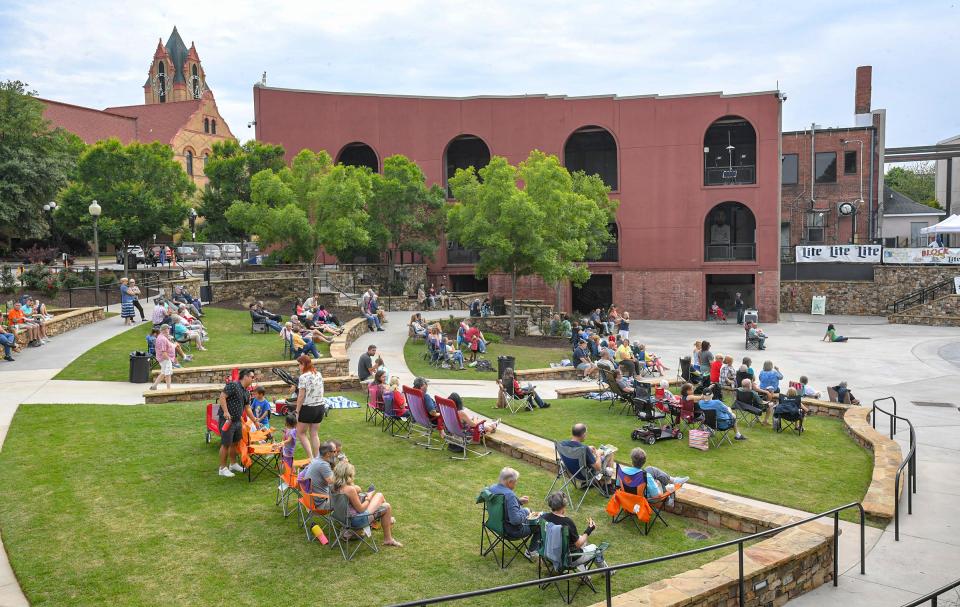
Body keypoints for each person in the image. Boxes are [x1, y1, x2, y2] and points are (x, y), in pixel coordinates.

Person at [332, 461, 402, 547]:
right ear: (348, 475)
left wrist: (356, 488)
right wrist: (368, 497)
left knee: (382, 502)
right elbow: (361, 509)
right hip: (356, 520)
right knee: (384, 503)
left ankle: (387, 523)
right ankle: (388, 537)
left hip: (341, 519)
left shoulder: (333, 487)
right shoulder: (350, 490)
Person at [542, 491, 610, 571]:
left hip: (549, 553)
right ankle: (608, 572)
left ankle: (584, 575)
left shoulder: (544, 517)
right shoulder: (567, 522)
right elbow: (577, 544)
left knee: (582, 540)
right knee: (595, 548)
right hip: (567, 559)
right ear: (564, 505)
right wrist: (589, 529)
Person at [487, 467, 540, 558]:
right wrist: (526, 511)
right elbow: (515, 520)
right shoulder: (510, 495)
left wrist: (518, 501)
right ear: (509, 482)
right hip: (511, 531)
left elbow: (502, 506)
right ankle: (531, 552)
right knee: (540, 523)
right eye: (515, 481)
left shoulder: (492, 488)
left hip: (496, 525)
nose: (516, 483)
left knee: (530, 512)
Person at [217, 368, 256, 477]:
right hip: (227, 420)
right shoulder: (233, 385)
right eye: (252, 377)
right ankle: (222, 468)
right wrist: (225, 411)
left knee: (235, 443)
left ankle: (233, 464)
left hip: (237, 420)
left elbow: (248, 409)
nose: (253, 379)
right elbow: (222, 396)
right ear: (245, 376)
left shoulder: (246, 392)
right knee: (226, 444)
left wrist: (255, 421)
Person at [619, 447, 689, 503]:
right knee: (659, 480)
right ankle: (669, 498)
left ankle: (674, 480)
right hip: (643, 498)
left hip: (627, 496)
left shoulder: (622, 470)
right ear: (644, 462)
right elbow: (656, 495)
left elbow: (618, 485)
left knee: (650, 469)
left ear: (632, 459)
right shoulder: (646, 476)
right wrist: (657, 484)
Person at [681, 383, 747, 440]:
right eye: (692, 389)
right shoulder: (717, 403)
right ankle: (737, 434)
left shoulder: (701, 403)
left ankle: (706, 429)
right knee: (732, 414)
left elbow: (701, 399)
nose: (694, 390)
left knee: (709, 414)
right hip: (719, 424)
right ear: (712, 395)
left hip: (708, 422)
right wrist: (730, 411)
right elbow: (726, 411)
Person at [561, 423, 615, 488]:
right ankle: (607, 486)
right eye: (586, 433)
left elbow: (574, 448)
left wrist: (588, 448)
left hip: (572, 472)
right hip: (585, 475)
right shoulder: (584, 449)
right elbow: (598, 467)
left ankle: (592, 483)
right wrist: (598, 454)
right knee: (610, 453)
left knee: (597, 455)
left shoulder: (563, 444)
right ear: (583, 435)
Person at [295, 354, 326, 460]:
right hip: (320, 407)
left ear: (303, 364)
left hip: (309, 408)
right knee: (314, 433)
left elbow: (301, 396)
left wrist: (297, 411)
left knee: (300, 432)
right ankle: (318, 459)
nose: (299, 366)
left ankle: (311, 458)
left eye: (299, 364)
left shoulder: (303, 377)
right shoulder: (319, 374)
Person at [149, 325, 177, 390]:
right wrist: (168, 359)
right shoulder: (162, 339)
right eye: (168, 329)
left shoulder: (162, 337)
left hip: (164, 358)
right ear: (165, 330)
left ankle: (154, 386)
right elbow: (163, 351)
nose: (169, 330)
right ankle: (168, 389)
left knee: (163, 372)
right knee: (168, 373)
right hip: (165, 358)